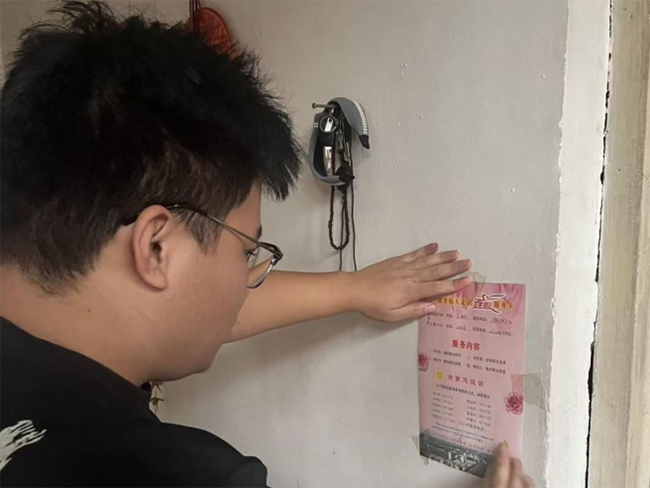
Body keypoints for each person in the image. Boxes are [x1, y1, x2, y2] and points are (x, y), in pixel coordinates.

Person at [0, 2, 532, 486]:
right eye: (246, 251)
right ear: (157, 247)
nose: (245, 283)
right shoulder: (175, 474)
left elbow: (174, 306)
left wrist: (353, 289)